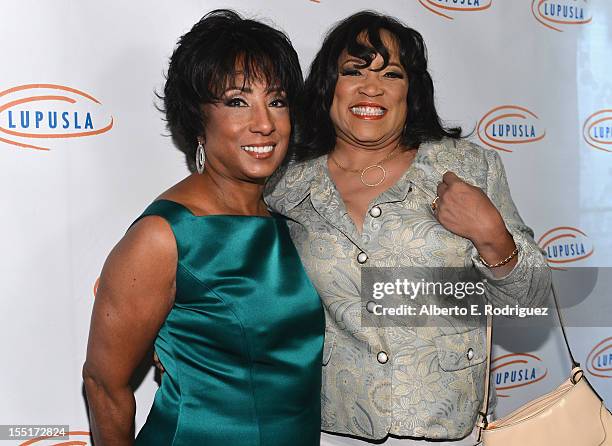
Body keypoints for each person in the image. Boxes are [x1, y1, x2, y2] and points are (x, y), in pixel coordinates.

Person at [265, 11, 551, 445]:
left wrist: (492, 234)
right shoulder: (285, 182)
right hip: (326, 425)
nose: (371, 87)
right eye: (353, 71)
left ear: (411, 91)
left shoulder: (468, 167)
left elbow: (529, 299)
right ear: (329, 86)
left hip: (444, 427)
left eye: (392, 74)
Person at [82, 10, 324, 446]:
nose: (265, 123)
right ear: (197, 119)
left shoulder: (289, 222)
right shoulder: (164, 236)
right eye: (237, 101)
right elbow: (104, 383)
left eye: (277, 100)